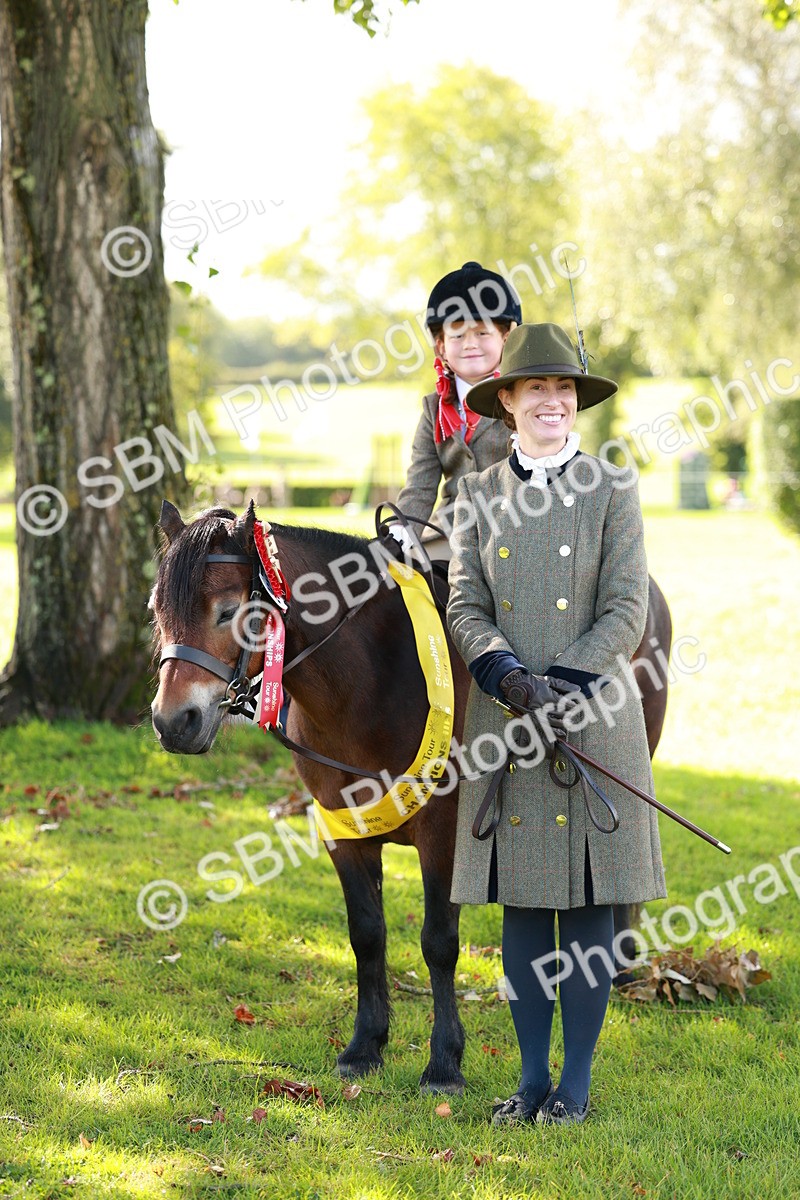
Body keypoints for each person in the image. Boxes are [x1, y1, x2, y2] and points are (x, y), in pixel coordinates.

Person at [446, 322, 666, 1126]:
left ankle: (574, 1084)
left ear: (577, 404)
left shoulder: (612, 487)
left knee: (587, 910)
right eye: (536, 388)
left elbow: (625, 607)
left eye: (565, 390)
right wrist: (506, 676)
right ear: (507, 402)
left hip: (594, 716)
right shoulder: (474, 495)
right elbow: (464, 604)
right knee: (525, 908)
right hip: (506, 724)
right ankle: (531, 1079)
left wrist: (563, 685)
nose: (552, 401)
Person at [392, 262, 522, 558]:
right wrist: (399, 531)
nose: (470, 345)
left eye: (481, 333)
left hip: (516, 527)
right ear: (440, 346)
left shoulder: (525, 399)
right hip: (450, 534)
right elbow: (420, 486)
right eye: (458, 335)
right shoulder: (433, 409)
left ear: (505, 337)